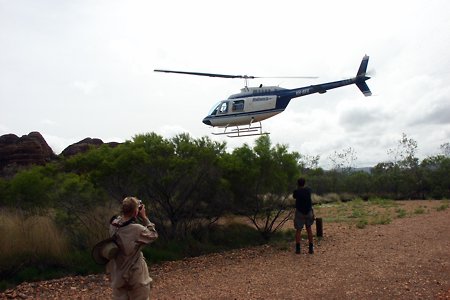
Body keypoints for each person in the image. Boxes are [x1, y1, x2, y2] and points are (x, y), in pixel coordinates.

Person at [107, 196, 158, 300]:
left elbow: (123, 220)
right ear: (136, 212)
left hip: (118, 275)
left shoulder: (113, 225)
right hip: (136, 275)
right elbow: (153, 235)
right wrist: (144, 217)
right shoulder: (137, 229)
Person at [293, 178, 314, 254]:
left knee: (298, 230)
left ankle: (298, 249)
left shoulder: (296, 191)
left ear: (298, 184)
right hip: (308, 212)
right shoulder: (308, 190)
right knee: (309, 229)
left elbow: (294, 196)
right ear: (304, 183)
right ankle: (311, 248)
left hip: (299, 212)